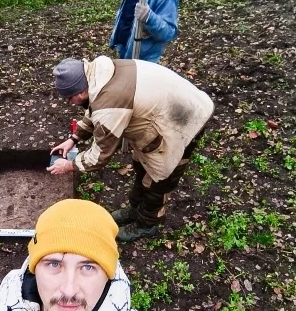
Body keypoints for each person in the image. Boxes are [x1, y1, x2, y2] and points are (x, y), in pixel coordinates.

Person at [47, 56, 214, 242]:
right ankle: (135, 210)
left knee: (160, 178)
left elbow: (100, 155)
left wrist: (69, 166)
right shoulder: (97, 76)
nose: (70, 103)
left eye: (69, 98)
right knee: (142, 167)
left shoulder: (110, 103)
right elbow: (94, 109)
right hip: (166, 107)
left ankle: (147, 224)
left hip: (185, 120)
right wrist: (74, 138)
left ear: (81, 92)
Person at [0, 199, 163, 311]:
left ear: (108, 274)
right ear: (34, 267)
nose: (69, 291)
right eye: (54, 264)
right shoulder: (11, 287)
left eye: (87, 267)